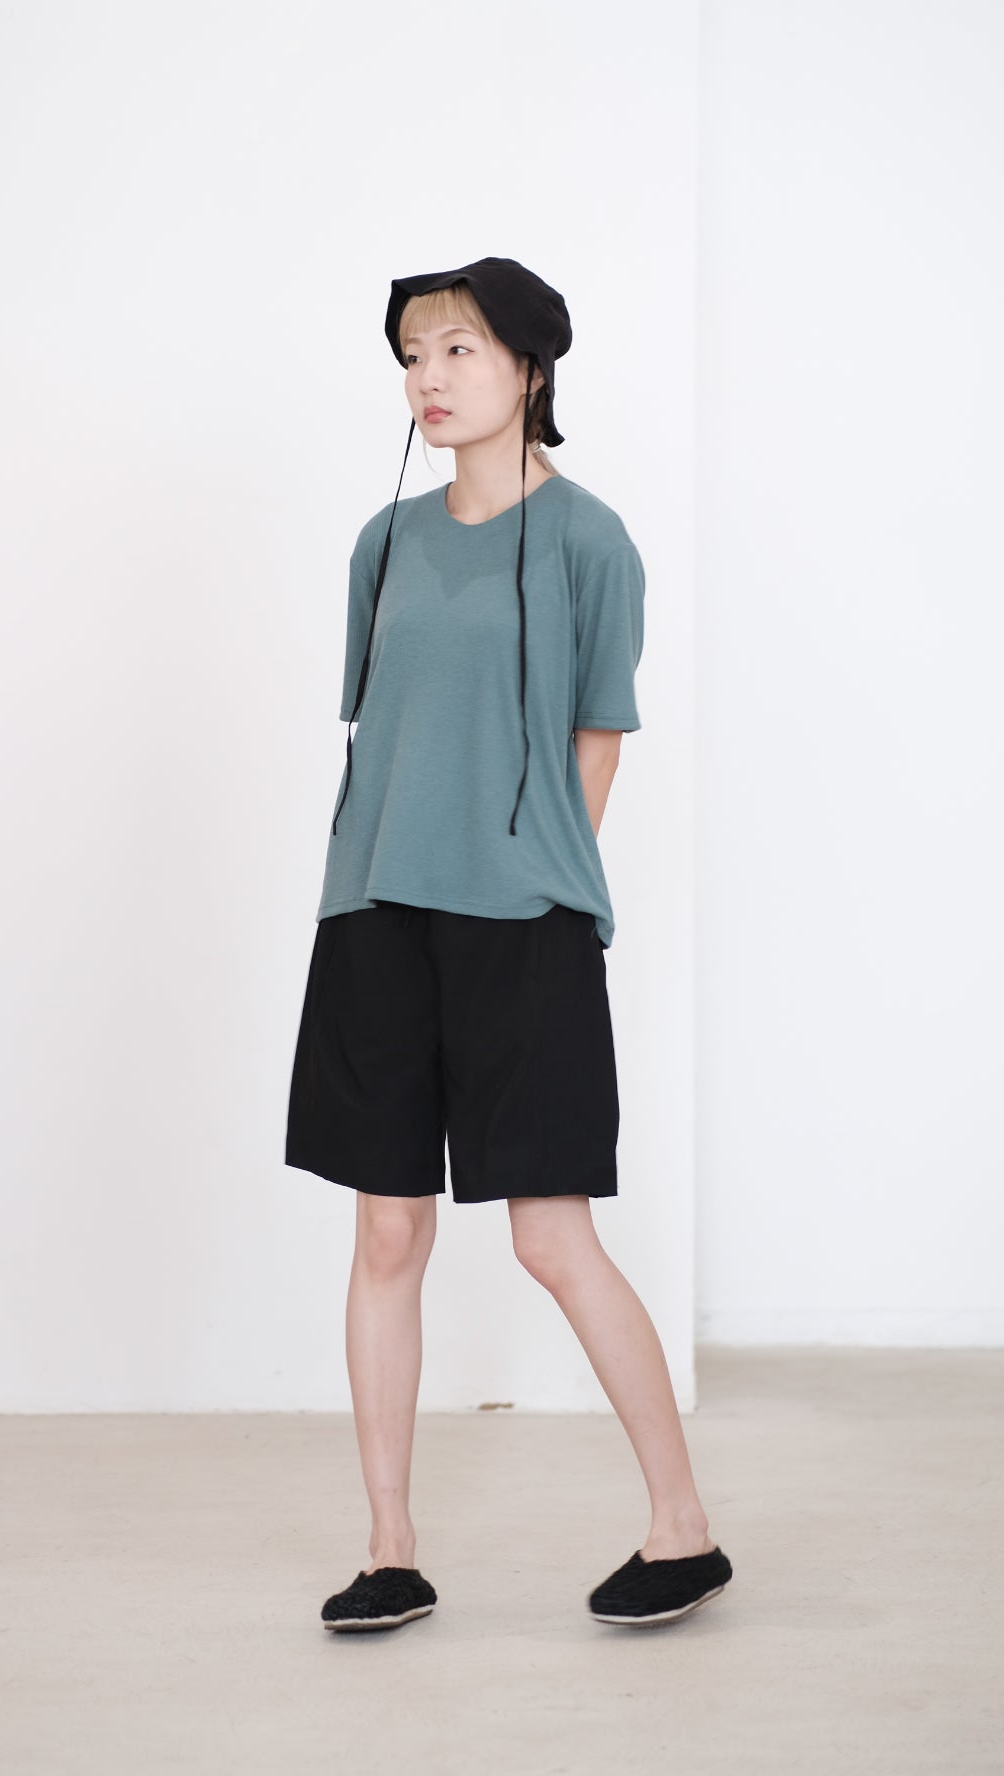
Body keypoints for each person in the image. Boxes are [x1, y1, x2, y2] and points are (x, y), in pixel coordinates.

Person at [285, 257, 733, 1634]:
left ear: (530, 368)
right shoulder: (384, 542)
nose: (427, 379)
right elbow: (383, 732)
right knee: (386, 1229)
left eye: (458, 350)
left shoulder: (593, 541)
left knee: (550, 1237)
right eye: (412, 356)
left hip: (524, 924)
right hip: (375, 913)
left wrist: (543, 871)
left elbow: (599, 735)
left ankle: (682, 1529)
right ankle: (390, 1550)